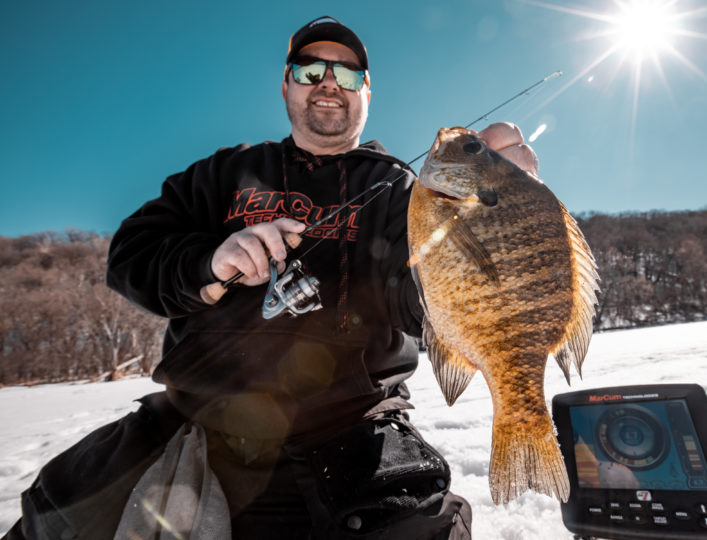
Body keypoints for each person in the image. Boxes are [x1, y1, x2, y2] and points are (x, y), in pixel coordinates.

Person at [4, 15, 539, 540]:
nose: (329, 84)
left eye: (348, 75)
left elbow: (425, 306)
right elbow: (131, 255)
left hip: (351, 431)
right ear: (286, 86)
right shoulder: (224, 171)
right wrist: (210, 264)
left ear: (367, 93)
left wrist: (490, 226)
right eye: (310, 71)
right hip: (191, 418)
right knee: (52, 516)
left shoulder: (406, 192)